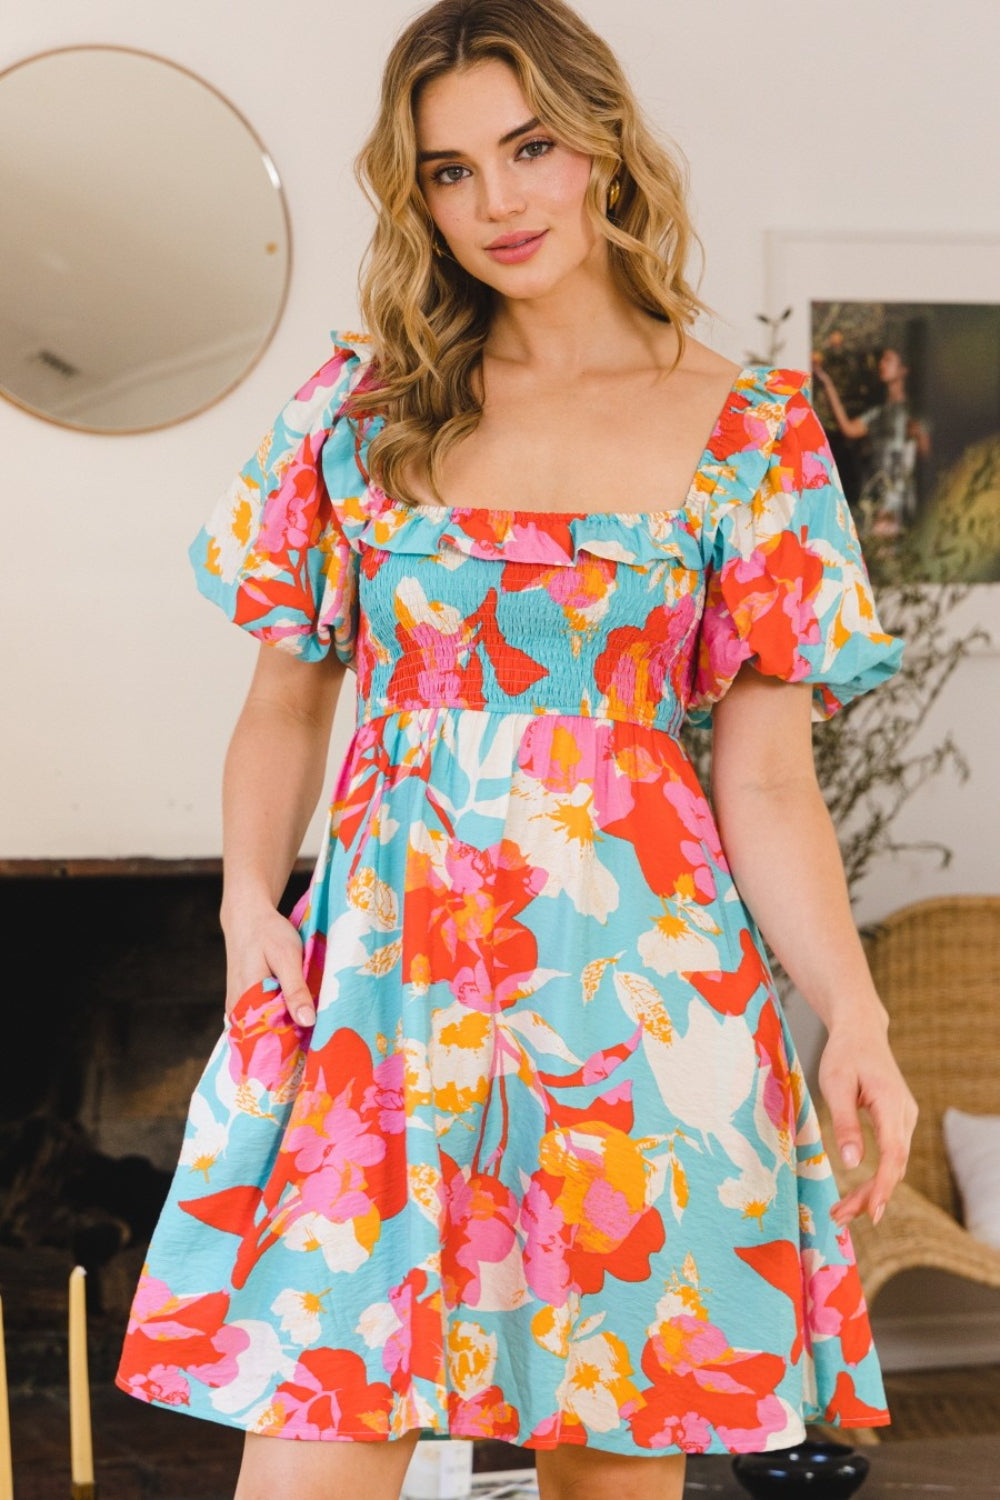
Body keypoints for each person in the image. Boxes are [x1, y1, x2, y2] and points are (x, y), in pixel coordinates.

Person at [115, 2, 918, 1496]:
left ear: (603, 144)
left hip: (643, 1020)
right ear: (414, 193)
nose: (497, 202)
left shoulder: (749, 430)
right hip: (384, 1001)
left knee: (608, 1470)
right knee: (310, 1445)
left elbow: (763, 777)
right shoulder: (363, 410)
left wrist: (853, 1016)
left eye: (529, 147)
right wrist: (242, 906)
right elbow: (286, 697)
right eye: (449, 170)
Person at [812, 345, 931, 538]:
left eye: (888, 360)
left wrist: (918, 435)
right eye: (882, 359)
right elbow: (849, 429)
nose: (881, 365)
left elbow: (927, 452)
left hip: (897, 499)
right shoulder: (879, 413)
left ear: (903, 370)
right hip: (875, 494)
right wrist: (827, 384)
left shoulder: (913, 412)